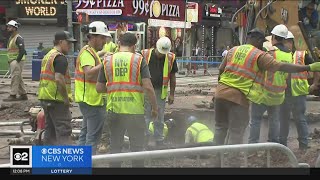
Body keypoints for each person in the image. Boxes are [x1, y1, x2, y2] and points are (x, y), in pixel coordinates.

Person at [215, 28, 320, 147]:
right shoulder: (259, 55)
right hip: (242, 98)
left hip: (221, 95)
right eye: (262, 41)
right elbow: (281, 67)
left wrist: (219, 88)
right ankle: (233, 160)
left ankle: (217, 159)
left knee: (220, 128)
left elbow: (221, 70)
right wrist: (309, 68)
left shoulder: (233, 50)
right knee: (237, 131)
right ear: (258, 40)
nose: (263, 44)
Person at [96, 32, 158, 167]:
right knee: (136, 148)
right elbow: (148, 87)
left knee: (115, 147)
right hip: (134, 111)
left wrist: (116, 87)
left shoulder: (107, 60)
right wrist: (154, 108)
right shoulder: (138, 60)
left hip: (114, 110)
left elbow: (99, 88)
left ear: (119, 44)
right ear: (134, 46)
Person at [248, 24, 293, 144]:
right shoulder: (289, 55)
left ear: (273, 36)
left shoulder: (271, 52)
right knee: (274, 120)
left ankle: (252, 146)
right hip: (278, 94)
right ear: (284, 38)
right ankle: (273, 146)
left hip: (264, 93)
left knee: (256, 119)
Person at [280, 31, 318, 150]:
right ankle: (282, 146)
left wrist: (315, 84)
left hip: (298, 93)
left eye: (286, 42)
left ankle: (304, 144)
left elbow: (316, 67)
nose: (284, 44)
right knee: (283, 119)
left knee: (299, 118)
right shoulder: (280, 54)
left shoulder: (302, 55)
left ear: (291, 42)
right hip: (284, 92)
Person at [75, 21, 109, 155]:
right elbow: (89, 74)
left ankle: (79, 160)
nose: (105, 42)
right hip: (91, 101)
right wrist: (105, 63)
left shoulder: (90, 52)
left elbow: (93, 61)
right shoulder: (87, 54)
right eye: (103, 38)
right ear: (93, 37)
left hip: (88, 99)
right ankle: (88, 162)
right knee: (93, 136)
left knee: (85, 133)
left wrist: (102, 55)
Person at [37, 31, 76, 145]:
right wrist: (65, 99)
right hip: (56, 100)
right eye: (68, 43)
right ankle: (65, 160)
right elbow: (59, 79)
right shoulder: (60, 58)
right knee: (64, 131)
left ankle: (49, 160)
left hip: (45, 98)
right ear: (60, 42)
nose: (70, 45)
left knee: (50, 131)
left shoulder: (48, 56)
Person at [141, 36, 178, 147]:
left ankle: (159, 140)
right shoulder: (144, 54)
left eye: (163, 53)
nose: (161, 55)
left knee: (159, 116)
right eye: (160, 52)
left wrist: (172, 94)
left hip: (159, 92)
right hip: (145, 90)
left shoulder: (171, 57)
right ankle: (144, 138)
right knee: (145, 116)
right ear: (156, 47)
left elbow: (172, 76)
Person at [3, 20, 28, 102]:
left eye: (10, 27)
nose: (8, 28)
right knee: (18, 77)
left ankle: (13, 95)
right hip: (13, 60)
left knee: (15, 77)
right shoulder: (11, 38)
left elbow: (22, 50)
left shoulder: (18, 38)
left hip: (17, 60)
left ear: (15, 28)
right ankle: (23, 94)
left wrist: (17, 60)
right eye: (8, 26)